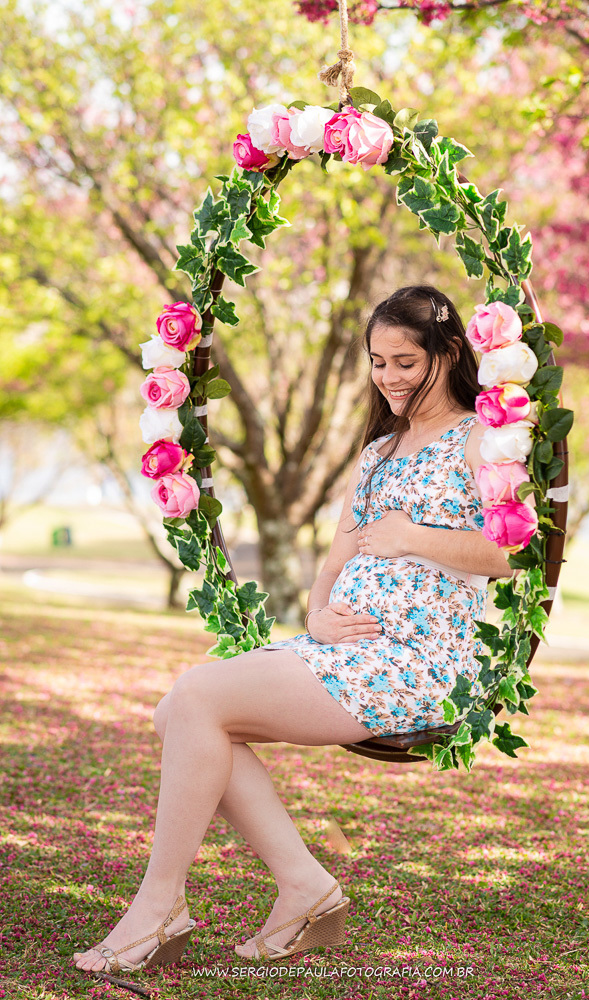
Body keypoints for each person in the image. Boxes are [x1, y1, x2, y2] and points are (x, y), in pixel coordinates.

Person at [73, 284, 513, 972]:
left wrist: (409, 536)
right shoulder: (379, 451)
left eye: (405, 361)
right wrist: (317, 615)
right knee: (177, 711)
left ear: (450, 351)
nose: (389, 377)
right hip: (344, 649)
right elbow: (334, 560)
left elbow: (509, 554)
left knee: (195, 699)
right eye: (378, 362)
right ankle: (305, 886)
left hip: (418, 661)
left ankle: (160, 907)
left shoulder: (479, 438)